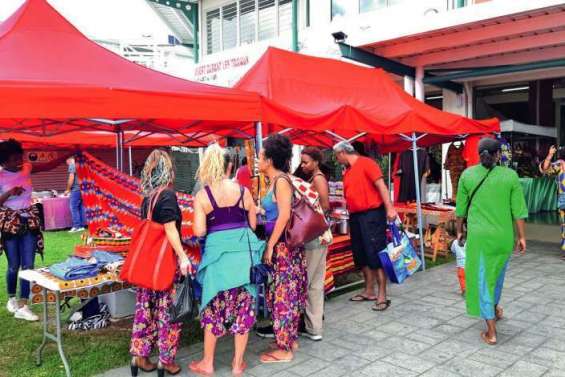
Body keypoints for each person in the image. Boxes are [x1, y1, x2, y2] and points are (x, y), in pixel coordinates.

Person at [189, 144, 262, 376]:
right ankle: (237, 364)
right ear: (230, 165)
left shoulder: (202, 195)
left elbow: (199, 232)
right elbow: (252, 225)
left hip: (217, 261)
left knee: (213, 306)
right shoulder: (243, 191)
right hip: (243, 259)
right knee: (244, 307)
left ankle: (208, 363)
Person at [455, 138, 527, 346]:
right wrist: (521, 236)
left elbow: (460, 209)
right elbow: (518, 211)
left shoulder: (468, 175)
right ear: (498, 155)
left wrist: (459, 230)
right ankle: (494, 309)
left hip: (480, 239)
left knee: (483, 281)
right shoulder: (510, 176)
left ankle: (491, 332)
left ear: (479, 154)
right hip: (503, 238)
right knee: (496, 276)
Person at [129, 149, 191, 377]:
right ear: (169, 171)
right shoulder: (167, 195)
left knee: (145, 310)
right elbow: (169, 229)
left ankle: (140, 355)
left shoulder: (148, 198)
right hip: (163, 266)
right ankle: (166, 360)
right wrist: (183, 257)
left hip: (147, 266)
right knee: (168, 312)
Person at [0, 139, 69, 321]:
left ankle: (23, 304)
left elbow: (48, 165)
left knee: (29, 265)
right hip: (9, 223)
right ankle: (12, 298)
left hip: (29, 221)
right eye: (13, 159)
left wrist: (69, 154)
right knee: (13, 265)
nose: (18, 162)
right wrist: (8, 193)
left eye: (19, 157)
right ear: (4, 161)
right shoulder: (0, 176)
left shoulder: (27, 168)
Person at [257, 134, 307, 363]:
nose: (258, 160)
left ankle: (285, 349)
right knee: (287, 291)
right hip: (285, 247)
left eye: (260, 156)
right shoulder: (277, 180)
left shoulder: (280, 181)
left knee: (283, 293)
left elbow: (284, 215)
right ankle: (289, 338)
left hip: (283, 247)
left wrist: (270, 246)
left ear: (269, 160)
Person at [333, 141, 397, 311]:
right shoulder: (348, 171)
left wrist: (390, 207)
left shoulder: (367, 163)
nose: (337, 160)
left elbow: (381, 186)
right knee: (360, 254)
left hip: (372, 214)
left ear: (342, 153)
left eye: (336, 156)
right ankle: (369, 290)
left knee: (376, 253)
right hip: (355, 216)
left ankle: (382, 294)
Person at [298, 147, 330, 341]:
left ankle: (311, 325)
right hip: (320, 235)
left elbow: (324, 205)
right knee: (315, 284)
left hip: (315, 235)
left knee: (309, 282)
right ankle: (314, 327)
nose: (302, 165)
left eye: (305, 162)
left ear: (316, 162)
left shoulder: (317, 178)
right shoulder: (314, 178)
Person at [539, 145, 565, 257]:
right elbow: (545, 169)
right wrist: (550, 155)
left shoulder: (561, 164)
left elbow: (545, 169)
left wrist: (550, 154)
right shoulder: (561, 164)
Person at [64, 156, 86, 233]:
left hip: (76, 189)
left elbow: (71, 178)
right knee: (81, 207)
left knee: (73, 207)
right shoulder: (80, 164)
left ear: (69, 160)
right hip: (82, 189)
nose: (67, 164)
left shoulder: (72, 165)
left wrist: (68, 189)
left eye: (66, 162)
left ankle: (76, 226)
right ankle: (82, 226)